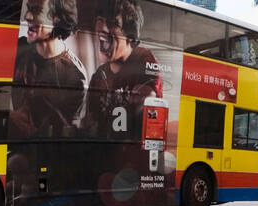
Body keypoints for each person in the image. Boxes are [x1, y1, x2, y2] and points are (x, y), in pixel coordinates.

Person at [81, 0, 163, 142]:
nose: (103, 28)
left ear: (129, 35)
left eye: (113, 23)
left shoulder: (144, 59)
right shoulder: (99, 75)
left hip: (131, 155)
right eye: (100, 20)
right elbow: (90, 121)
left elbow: (146, 103)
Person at [9, 0, 87, 139]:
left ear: (57, 19)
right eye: (28, 9)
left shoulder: (74, 77)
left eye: (37, 11)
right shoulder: (16, 49)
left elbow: (61, 139)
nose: (27, 16)